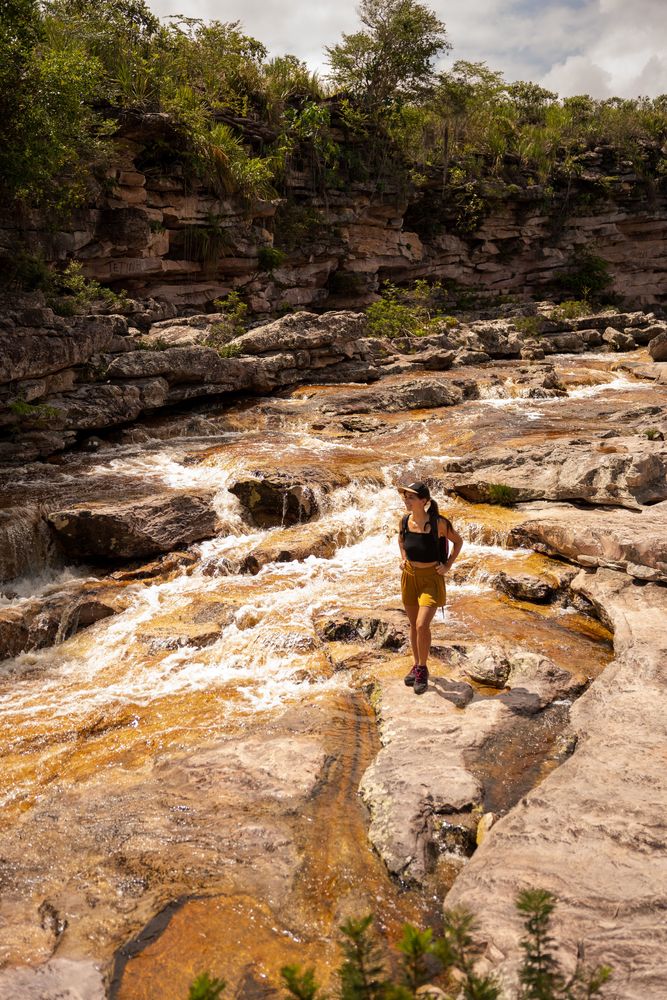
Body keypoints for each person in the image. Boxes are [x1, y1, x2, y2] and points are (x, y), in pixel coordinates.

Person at [397, 481, 463, 695]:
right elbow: (401, 540)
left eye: (411, 497)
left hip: (431, 579)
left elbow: (458, 542)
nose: (407, 500)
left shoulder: (439, 523)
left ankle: (423, 669)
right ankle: (416, 665)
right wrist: (403, 558)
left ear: (423, 501)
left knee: (421, 625)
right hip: (409, 577)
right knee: (412, 625)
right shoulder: (405, 521)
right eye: (405, 497)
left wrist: (448, 565)